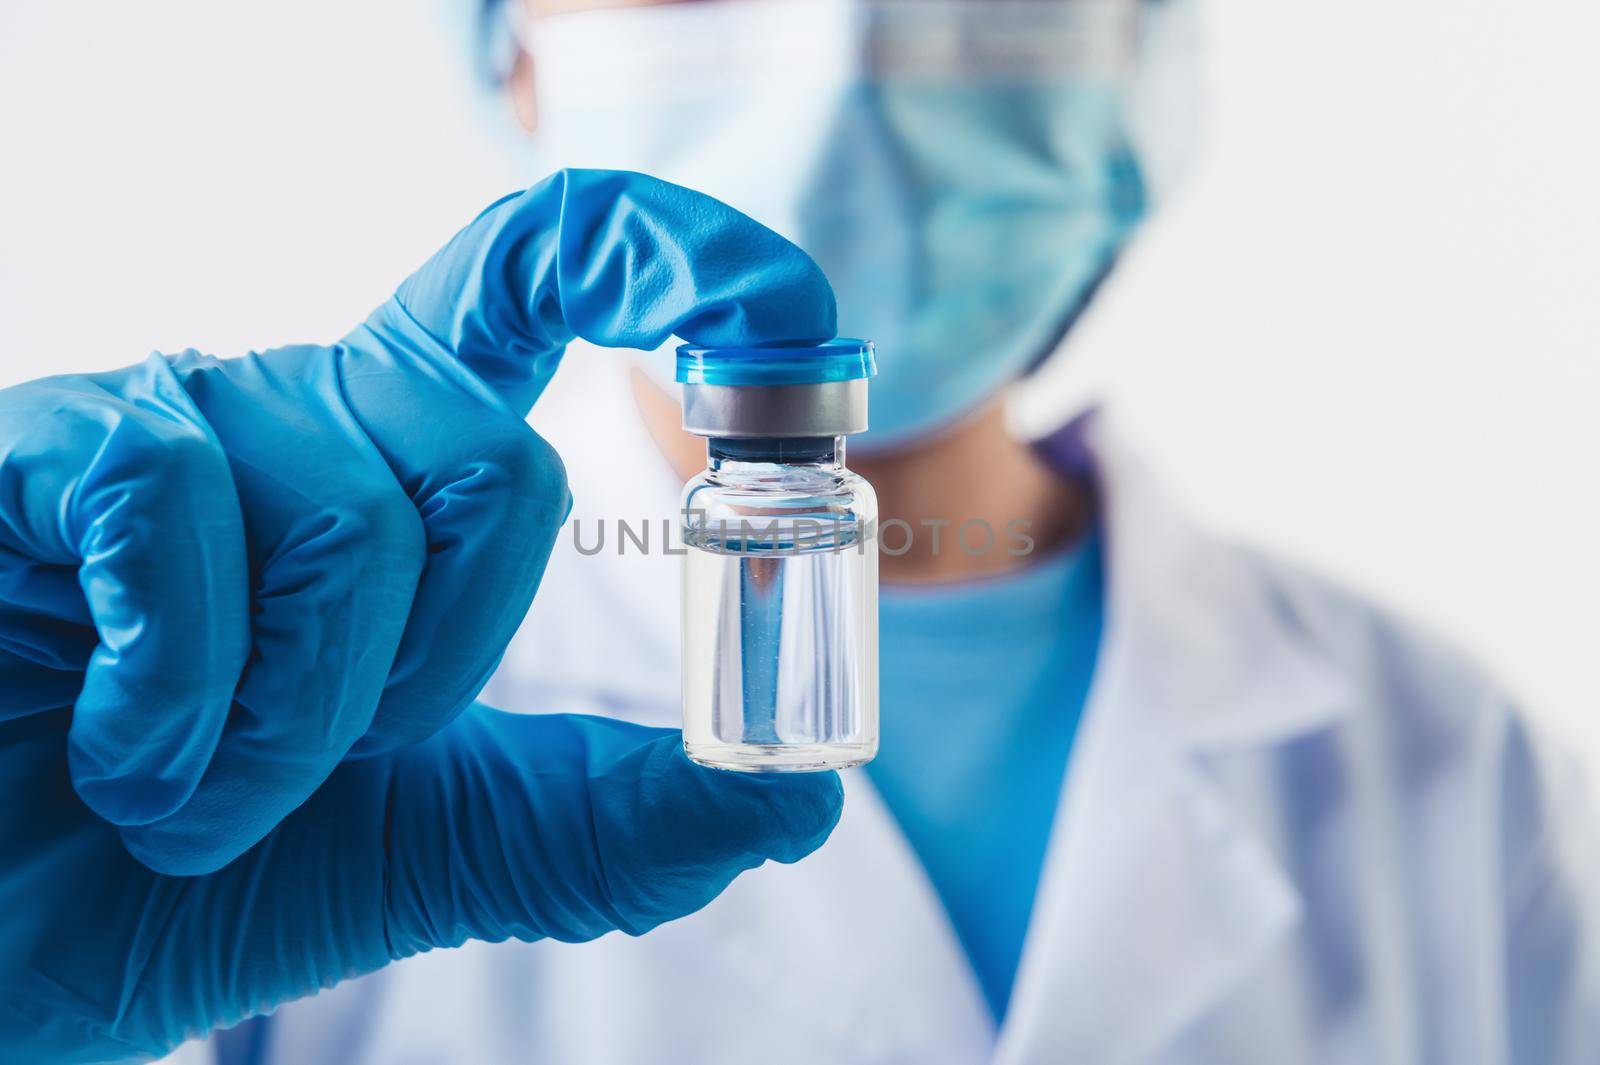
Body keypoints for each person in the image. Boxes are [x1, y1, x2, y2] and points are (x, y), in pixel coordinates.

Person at [0, 3, 1593, 1065]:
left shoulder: (1452, 768)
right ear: (513, 49)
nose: (843, 45)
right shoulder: (237, 712)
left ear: (1143, 62)